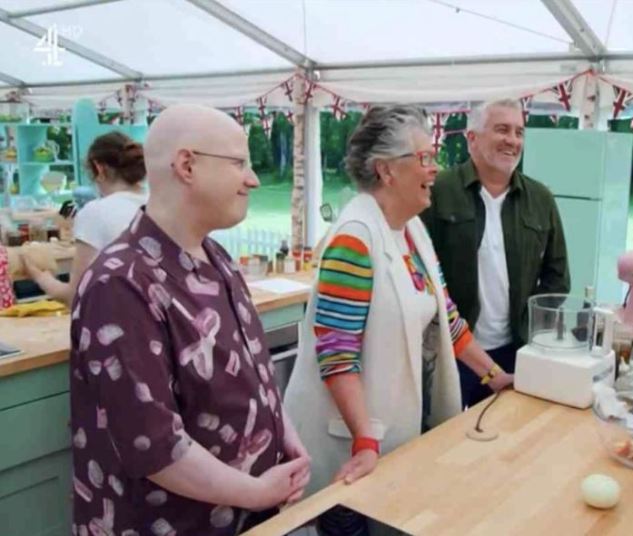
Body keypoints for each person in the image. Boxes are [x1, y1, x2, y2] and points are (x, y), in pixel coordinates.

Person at [69, 104, 310, 535]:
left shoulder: (216, 257)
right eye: (239, 163)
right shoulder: (120, 284)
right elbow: (155, 446)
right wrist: (257, 492)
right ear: (187, 166)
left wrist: (283, 432)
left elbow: (251, 373)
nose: (252, 179)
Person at [284, 105, 513, 493]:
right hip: (349, 444)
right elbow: (337, 354)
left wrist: (495, 376)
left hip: (392, 428)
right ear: (386, 170)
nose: (434, 169)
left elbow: (447, 318)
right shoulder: (354, 241)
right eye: (424, 158)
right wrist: (364, 439)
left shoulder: (412, 231)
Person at [421, 98, 569, 407]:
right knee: (446, 441)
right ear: (472, 138)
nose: (513, 140)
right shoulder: (437, 191)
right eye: (502, 129)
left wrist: (532, 330)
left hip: (516, 352)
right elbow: (419, 276)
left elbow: (557, 278)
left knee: (508, 439)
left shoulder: (540, 198)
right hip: (451, 353)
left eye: (519, 132)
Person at [24, 131, 148, 303]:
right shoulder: (159, 203)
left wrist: (40, 276)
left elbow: (76, 296)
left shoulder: (96, 212)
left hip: (119, 320)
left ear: (99, 168)